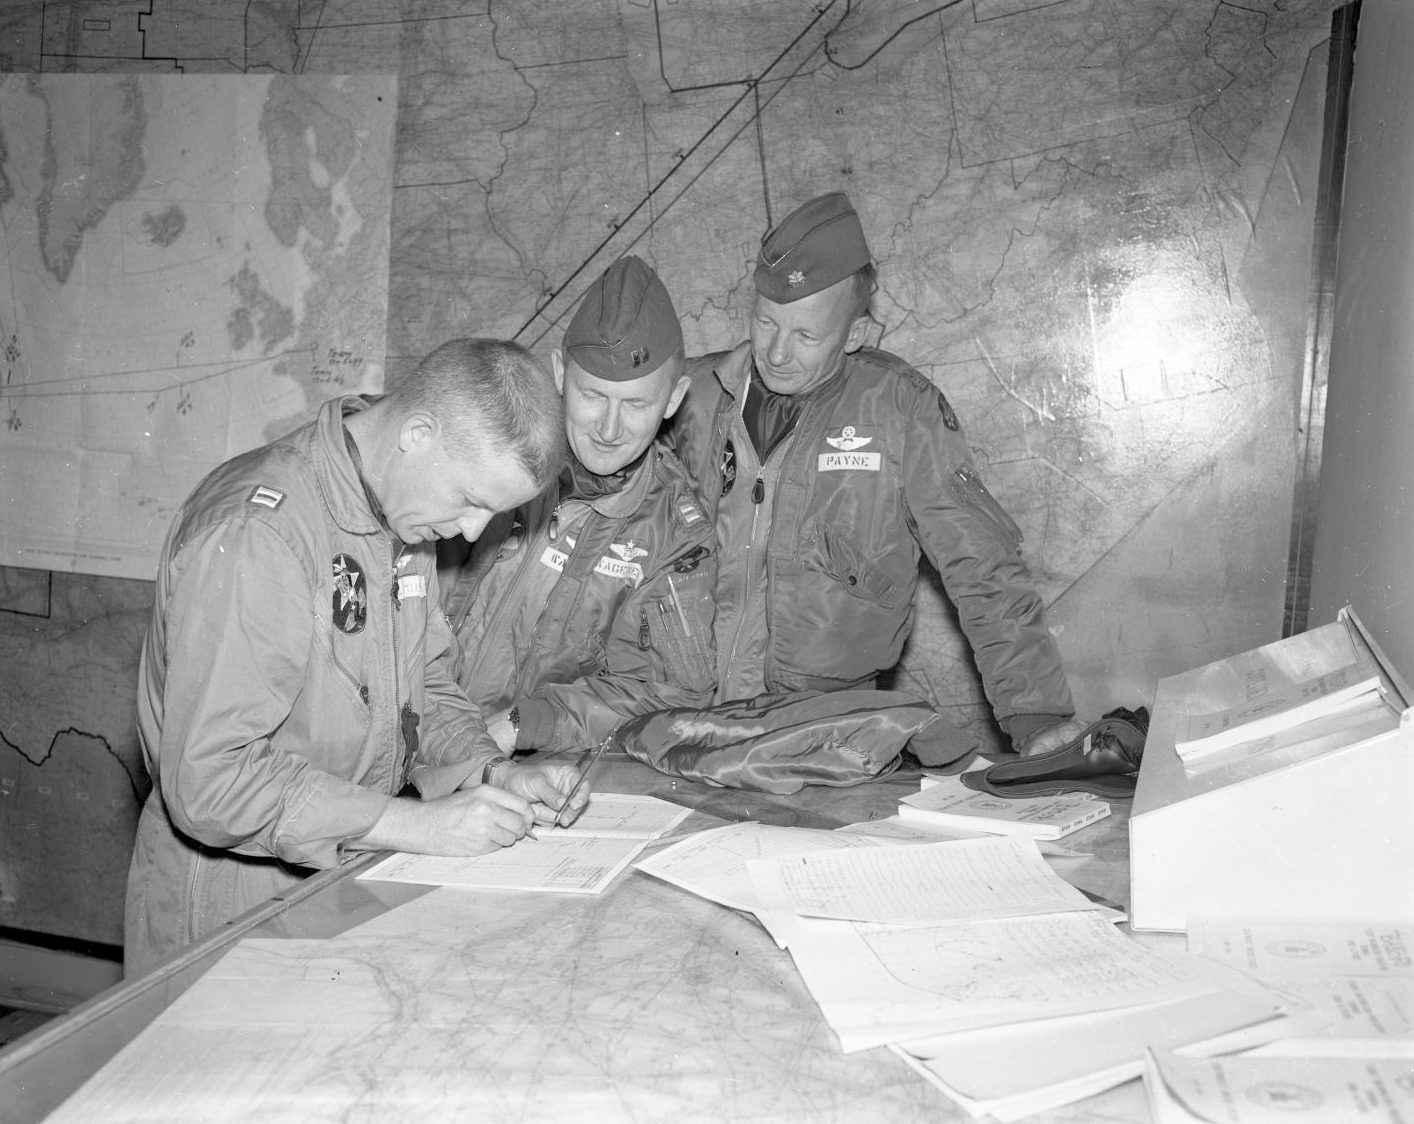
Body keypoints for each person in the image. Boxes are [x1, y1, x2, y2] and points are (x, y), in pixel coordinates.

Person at [126, 338, 588, 976]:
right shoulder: (262, 535)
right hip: (228, 897)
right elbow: (212, 780)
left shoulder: (403, 512)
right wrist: (417, 828)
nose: (473, 532)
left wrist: (490, 774)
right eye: (473, 500)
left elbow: (422, 686)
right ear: (418, 433)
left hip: (334, 870)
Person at [667, 192, 1083, 756]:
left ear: (857, 335)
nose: (777, 352)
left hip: (821, 732)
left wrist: (1034, 714)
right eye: (766, 323)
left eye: (807, 336)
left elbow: (980, 564)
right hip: (680, 717)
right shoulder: (688, 399)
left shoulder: (901, 410)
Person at [440, 256, 716, 754]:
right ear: (560, 373)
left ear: (673, 399)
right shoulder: (487, 450)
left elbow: (667, 691)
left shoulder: (674, 537)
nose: (608, 430)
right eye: (592, 395)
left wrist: (530, 724)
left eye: (635, 405)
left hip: (522, 764)